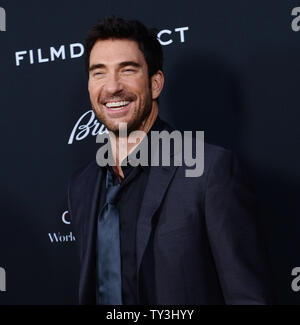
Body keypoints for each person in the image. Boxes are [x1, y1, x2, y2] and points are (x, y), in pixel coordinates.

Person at [68, 16, 272, 305]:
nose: (112, 87)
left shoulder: (210, 171)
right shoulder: (83, 185)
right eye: (98, 73)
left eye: (127, 70)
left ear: (155, 83)